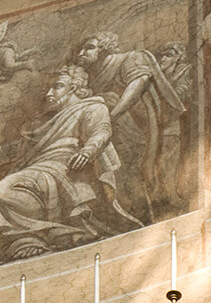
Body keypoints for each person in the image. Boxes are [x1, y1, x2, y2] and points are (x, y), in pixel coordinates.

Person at [0, 66, 140, 261]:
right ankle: (38, 237)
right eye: (48, 88)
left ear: (74, 87)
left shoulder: (91, 107)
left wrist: (88, 151)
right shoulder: (47, 123)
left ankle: (43, 234)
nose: (49, 94)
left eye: (57, 86)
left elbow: (101, 131)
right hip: (40, 167)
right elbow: (17, 149)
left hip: (66, 164)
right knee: (0, 192)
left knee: (4, 190)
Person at [75, 32, 186, 218]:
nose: (81, 53)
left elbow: (138, 84)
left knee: (153, 175)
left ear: (105, 49)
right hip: (124, 137)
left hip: (156, 129)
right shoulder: (94, 80)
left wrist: (113, 115)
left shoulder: (131, 58)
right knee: (127, 178)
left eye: (89, 47)